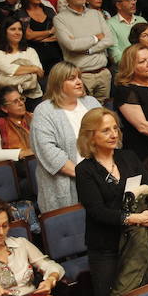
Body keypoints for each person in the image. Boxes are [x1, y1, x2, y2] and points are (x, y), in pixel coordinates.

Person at [74, 107, 148, 296]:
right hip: (106, 247)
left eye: (115, 129)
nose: (113, 134)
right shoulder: (85, 170)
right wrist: (135, 218)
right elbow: (97, 211)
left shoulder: (128, 157)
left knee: (143, 294)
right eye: (105, 130)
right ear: (91, 136)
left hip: (137, 240)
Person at [29, 62, 101, 213]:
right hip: (65, 186)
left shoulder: (91, 103)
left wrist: (103, 173)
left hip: (100, 179)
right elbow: (49, 153)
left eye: (79, 77)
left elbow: (110, 135)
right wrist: (88, 177)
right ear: (58, 83)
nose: (79, 81)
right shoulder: (44, 111)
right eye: (72, 78)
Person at [53, 0, 115, 102]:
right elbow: (72, 46)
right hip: (80, 77)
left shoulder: (96, 14)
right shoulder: (60, 19)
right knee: (86, 115)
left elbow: (109, 39)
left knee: (104, 113)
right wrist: (95, 37)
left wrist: (88, 50)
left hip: (103, 73)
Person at [15, 0, 62, 73]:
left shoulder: (49, 10)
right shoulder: (21, 13)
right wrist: (49, 32)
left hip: (55, 53)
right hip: (34, 56)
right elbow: (28, 35)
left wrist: (39, 37)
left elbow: (58, 32)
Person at [0, 86, 35, 163]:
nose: (21, 103)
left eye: (21, 99)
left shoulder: (35, 117)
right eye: (15, 102)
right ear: (4, 108)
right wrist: (22, 153)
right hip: (17, 166)